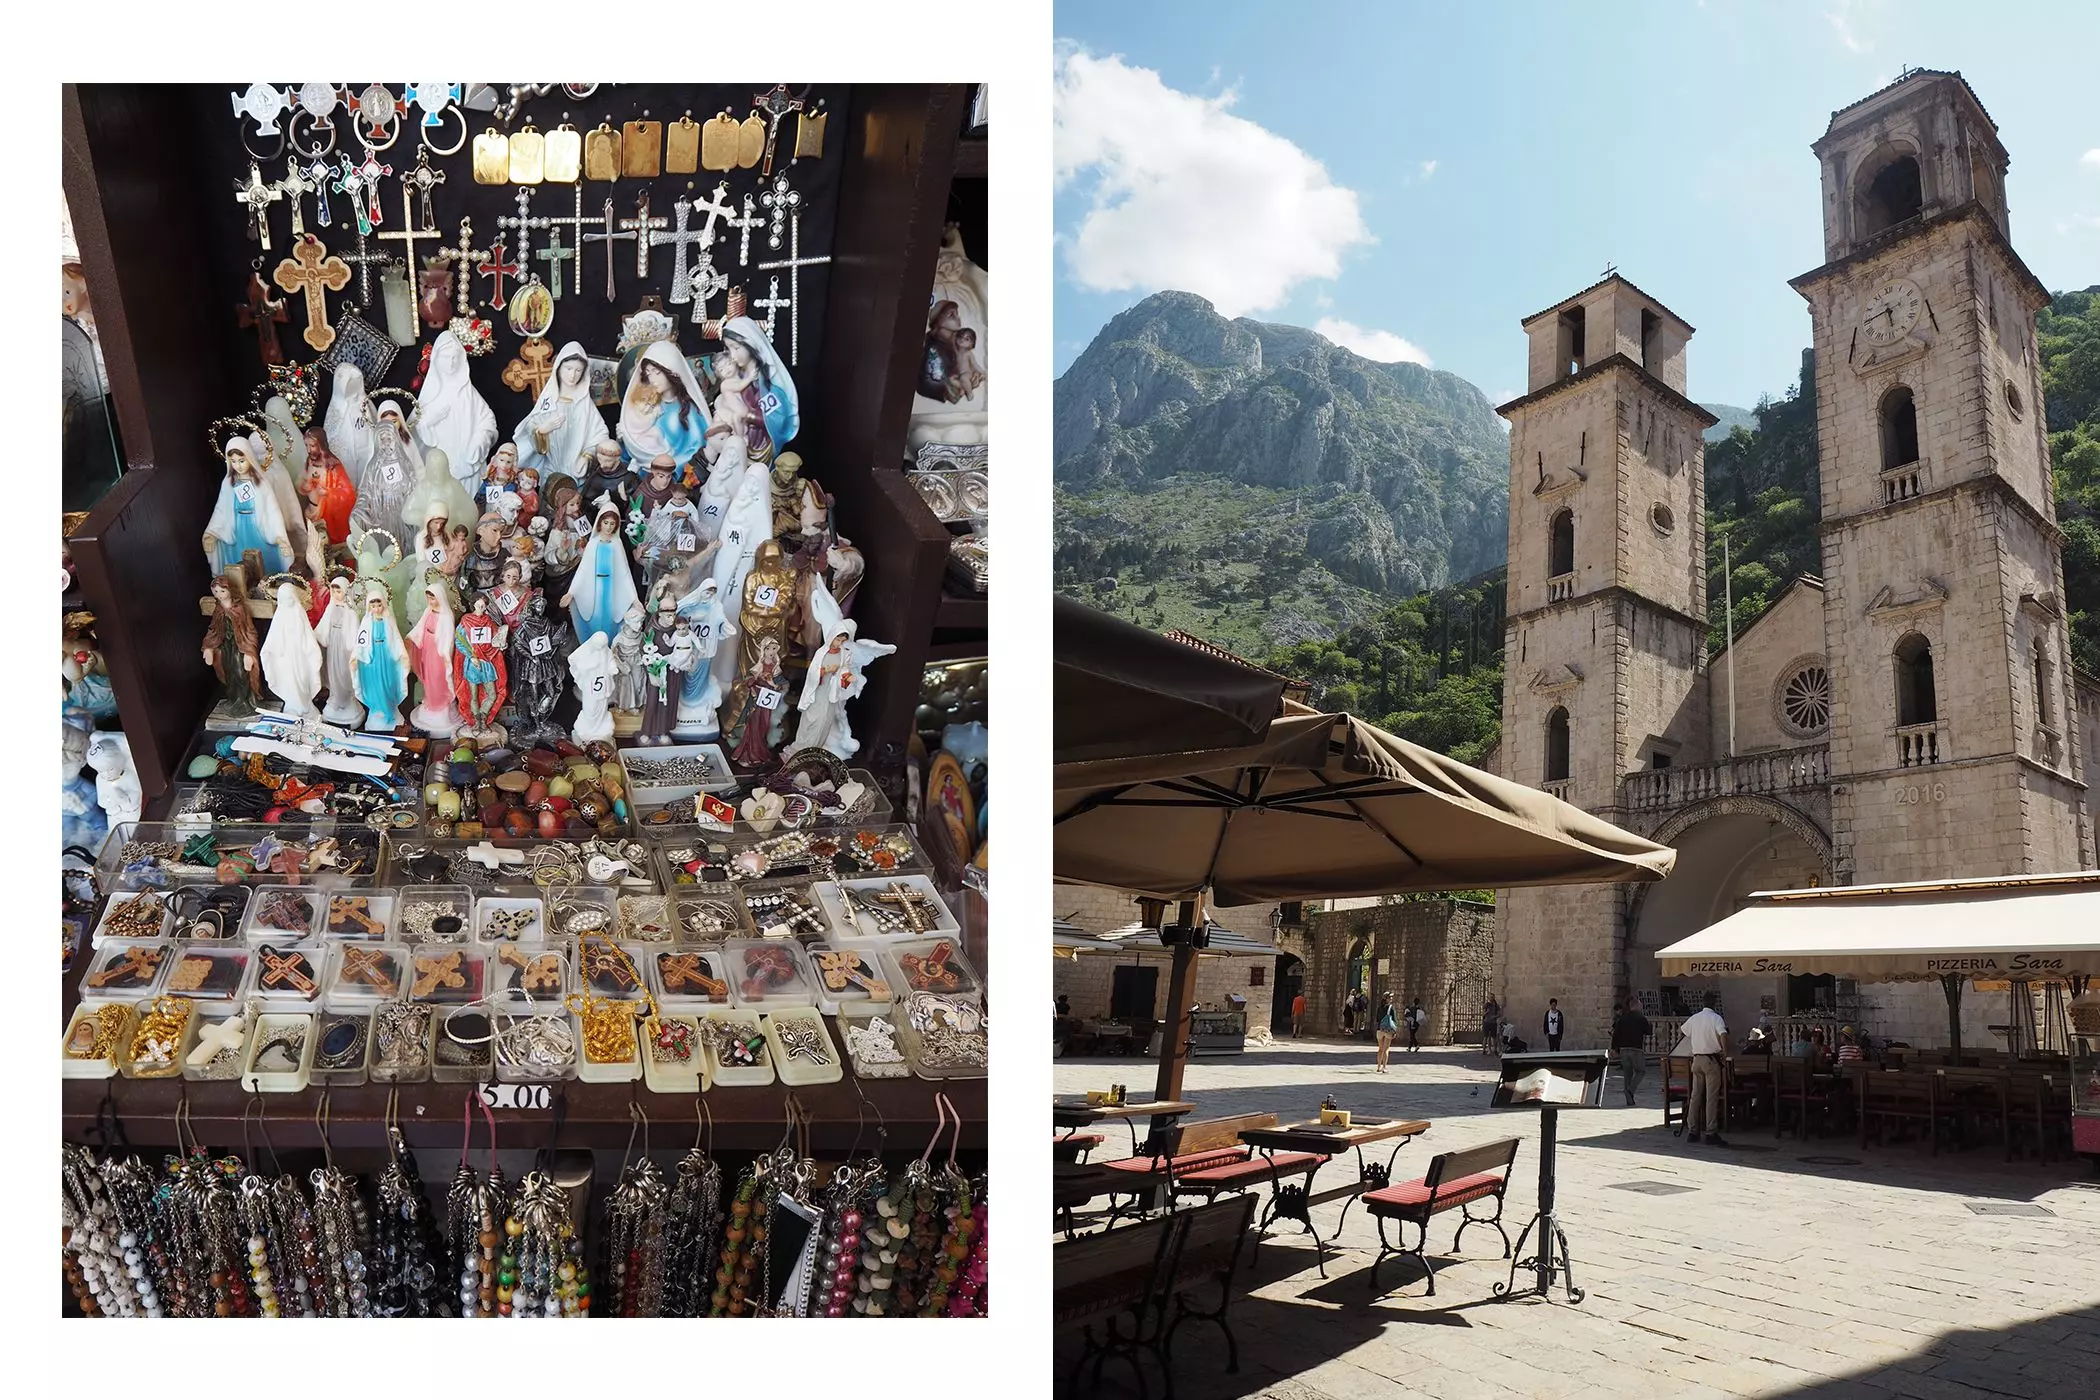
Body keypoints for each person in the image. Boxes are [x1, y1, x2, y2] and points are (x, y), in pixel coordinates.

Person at [1675, 991, 1730, 1146]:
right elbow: (1723, 1034)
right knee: (1711, 1097)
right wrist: (1724, 1052)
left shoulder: (1695, 1018)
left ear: (1703, 1003)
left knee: (1695, 1096)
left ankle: (1692, 1131)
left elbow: (1682, 1031)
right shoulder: (1716, 1018)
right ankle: (1711, 1131)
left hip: (1697, 1059)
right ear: (1714, 1003)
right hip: (1710, 1059)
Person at [1611, 995, 1652, 1106]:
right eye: (1640, 1005)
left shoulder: (1622, 1018)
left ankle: (1629, 1099)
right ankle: (1630, 1090)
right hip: (1636, 1049)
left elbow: (1616, 1035)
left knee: (1627, 1074)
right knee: (1640, 1071)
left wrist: (1614, 1048)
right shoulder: (1641, 1018)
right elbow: (1648, 1031)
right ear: (1637, 1006)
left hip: (1624, 1049)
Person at [1375, 995, 1399, 1072]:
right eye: (1390, 998)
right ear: (1387, 999)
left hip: (1380, 1029)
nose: (1391, 999)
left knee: (1380, 1049)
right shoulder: (1391, 1008)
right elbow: (1394, 1020)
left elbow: (1377, 1019)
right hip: (1388, 1030)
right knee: (1386, 1049)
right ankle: (1384, 1067)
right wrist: (1395, 1031)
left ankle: (1378, 1067)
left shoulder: (1379, 1008)